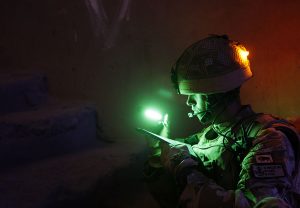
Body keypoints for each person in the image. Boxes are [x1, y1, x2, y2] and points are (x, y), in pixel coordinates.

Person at [143, 35, 300, 208]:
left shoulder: (270, 138)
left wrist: (183, 168)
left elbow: (249, 204)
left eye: (193, 95)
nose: (189, 103)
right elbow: (168, 194)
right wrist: (158, 147)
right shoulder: (207, 137)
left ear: (214, 96)